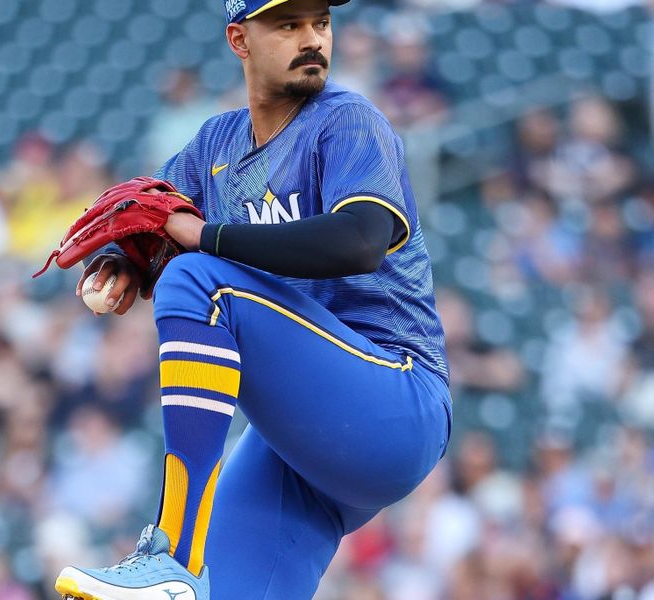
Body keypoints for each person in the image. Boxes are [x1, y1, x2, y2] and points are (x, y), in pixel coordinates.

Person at [54, 0, 451, 597]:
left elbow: (362, 240)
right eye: (288, 25)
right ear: (239, 40)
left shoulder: (347, 121)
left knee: (199, 280)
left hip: (393, 398)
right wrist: (124, 263)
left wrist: (205, 237)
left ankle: (172, 559)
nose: (312, 38)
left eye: (320, 22)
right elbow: (155, 219)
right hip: (302, 447)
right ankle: (187, 576)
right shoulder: (216, 143)